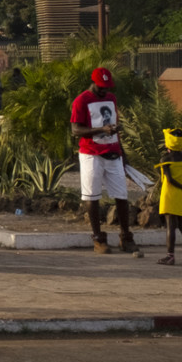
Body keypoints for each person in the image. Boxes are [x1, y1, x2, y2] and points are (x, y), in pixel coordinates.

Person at [72, 67, 137, 256]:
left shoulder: (111, 98)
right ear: (93, 83)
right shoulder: (81, 100)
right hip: (91, 153)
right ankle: (98, 238)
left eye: (107, 87)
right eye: (101, 87)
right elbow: (76, 130)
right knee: (92, 197)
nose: (104, 90)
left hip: (113, 152)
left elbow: (113, 126)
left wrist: (123, 153)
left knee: (122, 196)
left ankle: (126, 236)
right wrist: (100, 130)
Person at [156, 128, 182, 266]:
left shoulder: (165, 159)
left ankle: (170, 256)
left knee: (170, 226)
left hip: (170, 195)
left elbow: (169, 180)